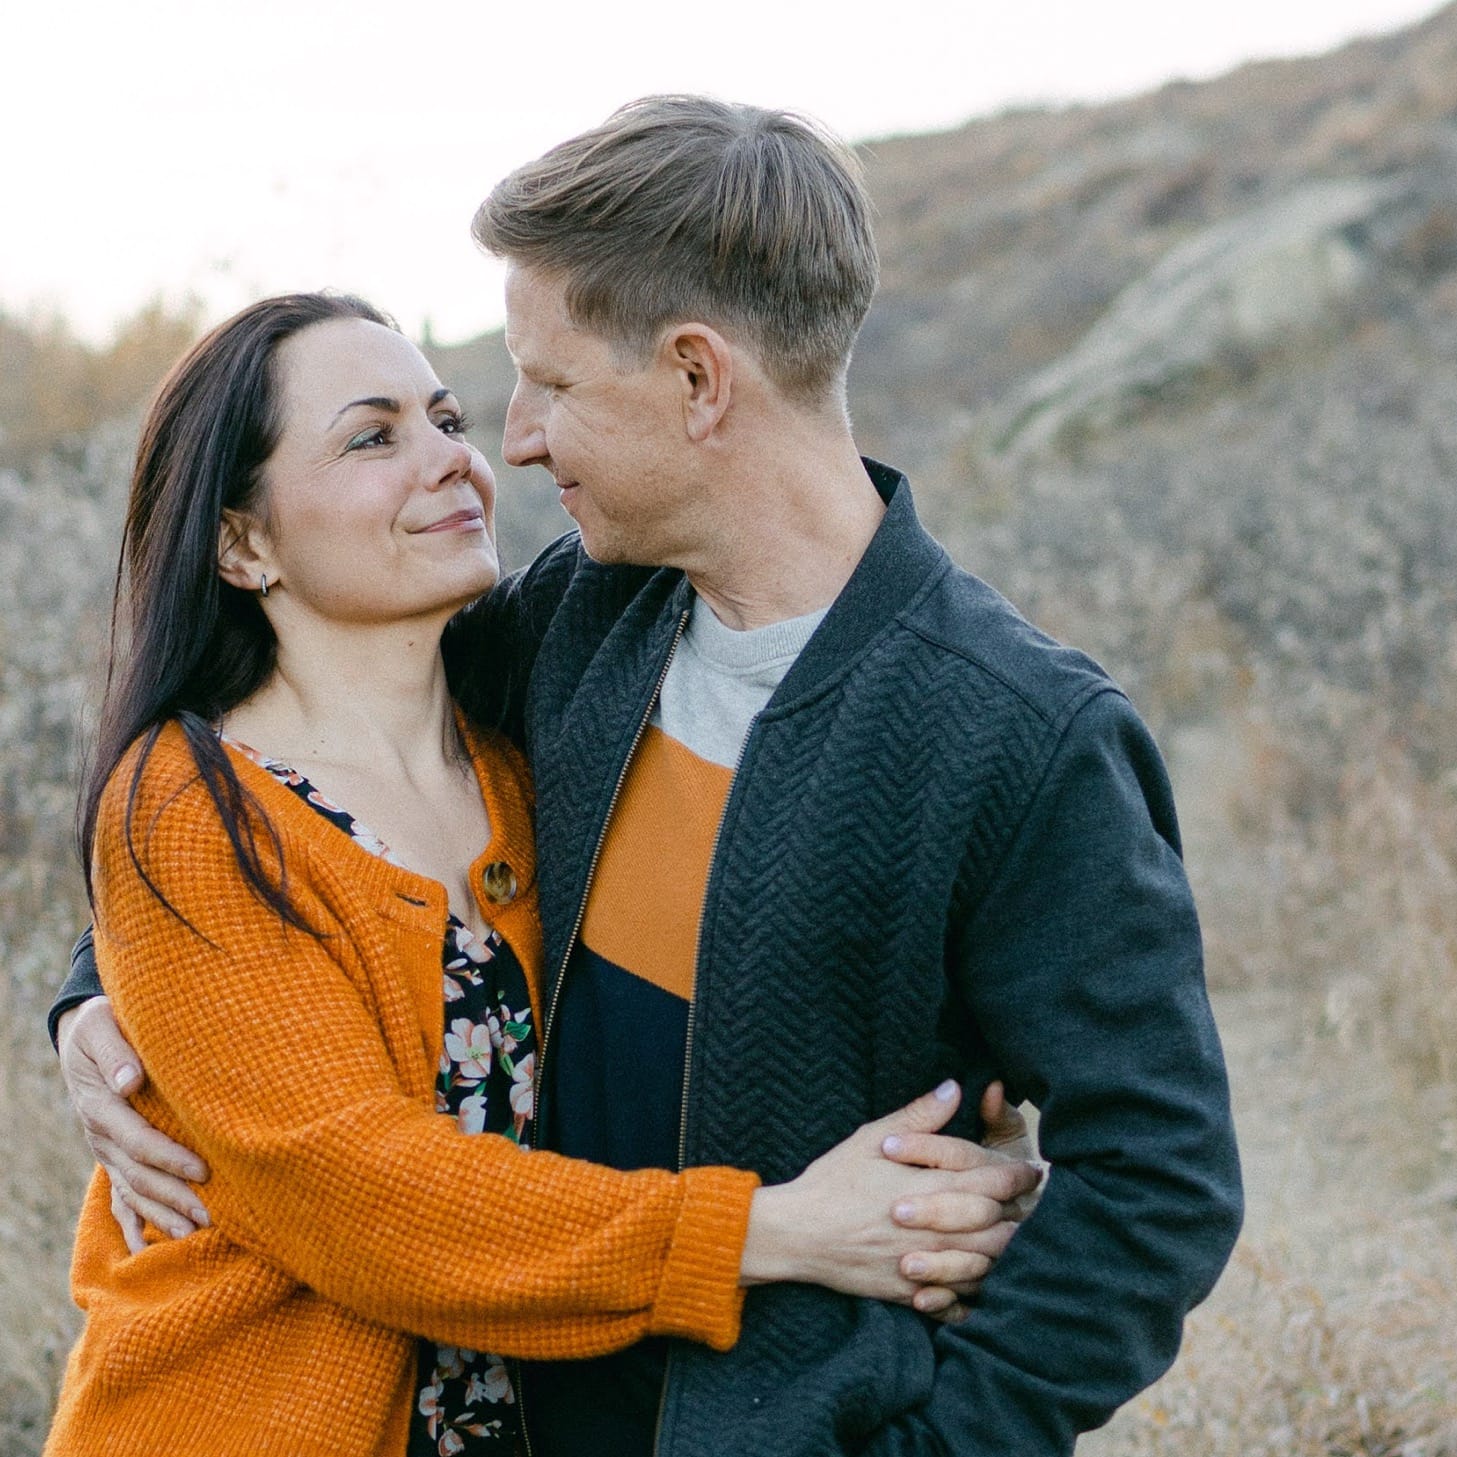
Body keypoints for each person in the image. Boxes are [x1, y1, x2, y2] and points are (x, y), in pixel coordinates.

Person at [55, 96, 1243, 1456]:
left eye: (547, 384)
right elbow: (289, 785)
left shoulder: (1013, 734)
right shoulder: (576, 626)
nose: (510, 443)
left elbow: (1156, 1179)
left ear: (695, 379)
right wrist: (96, 996)